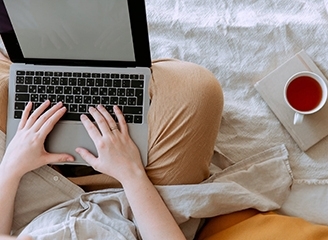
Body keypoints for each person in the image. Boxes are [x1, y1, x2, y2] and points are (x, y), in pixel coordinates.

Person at [0, 51, 224, 239]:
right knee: (198, 90)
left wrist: (11, 167)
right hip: (135, 209)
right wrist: (131, 173)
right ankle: (109, 65)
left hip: (29, 204)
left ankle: (48, 65)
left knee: (18, 87)